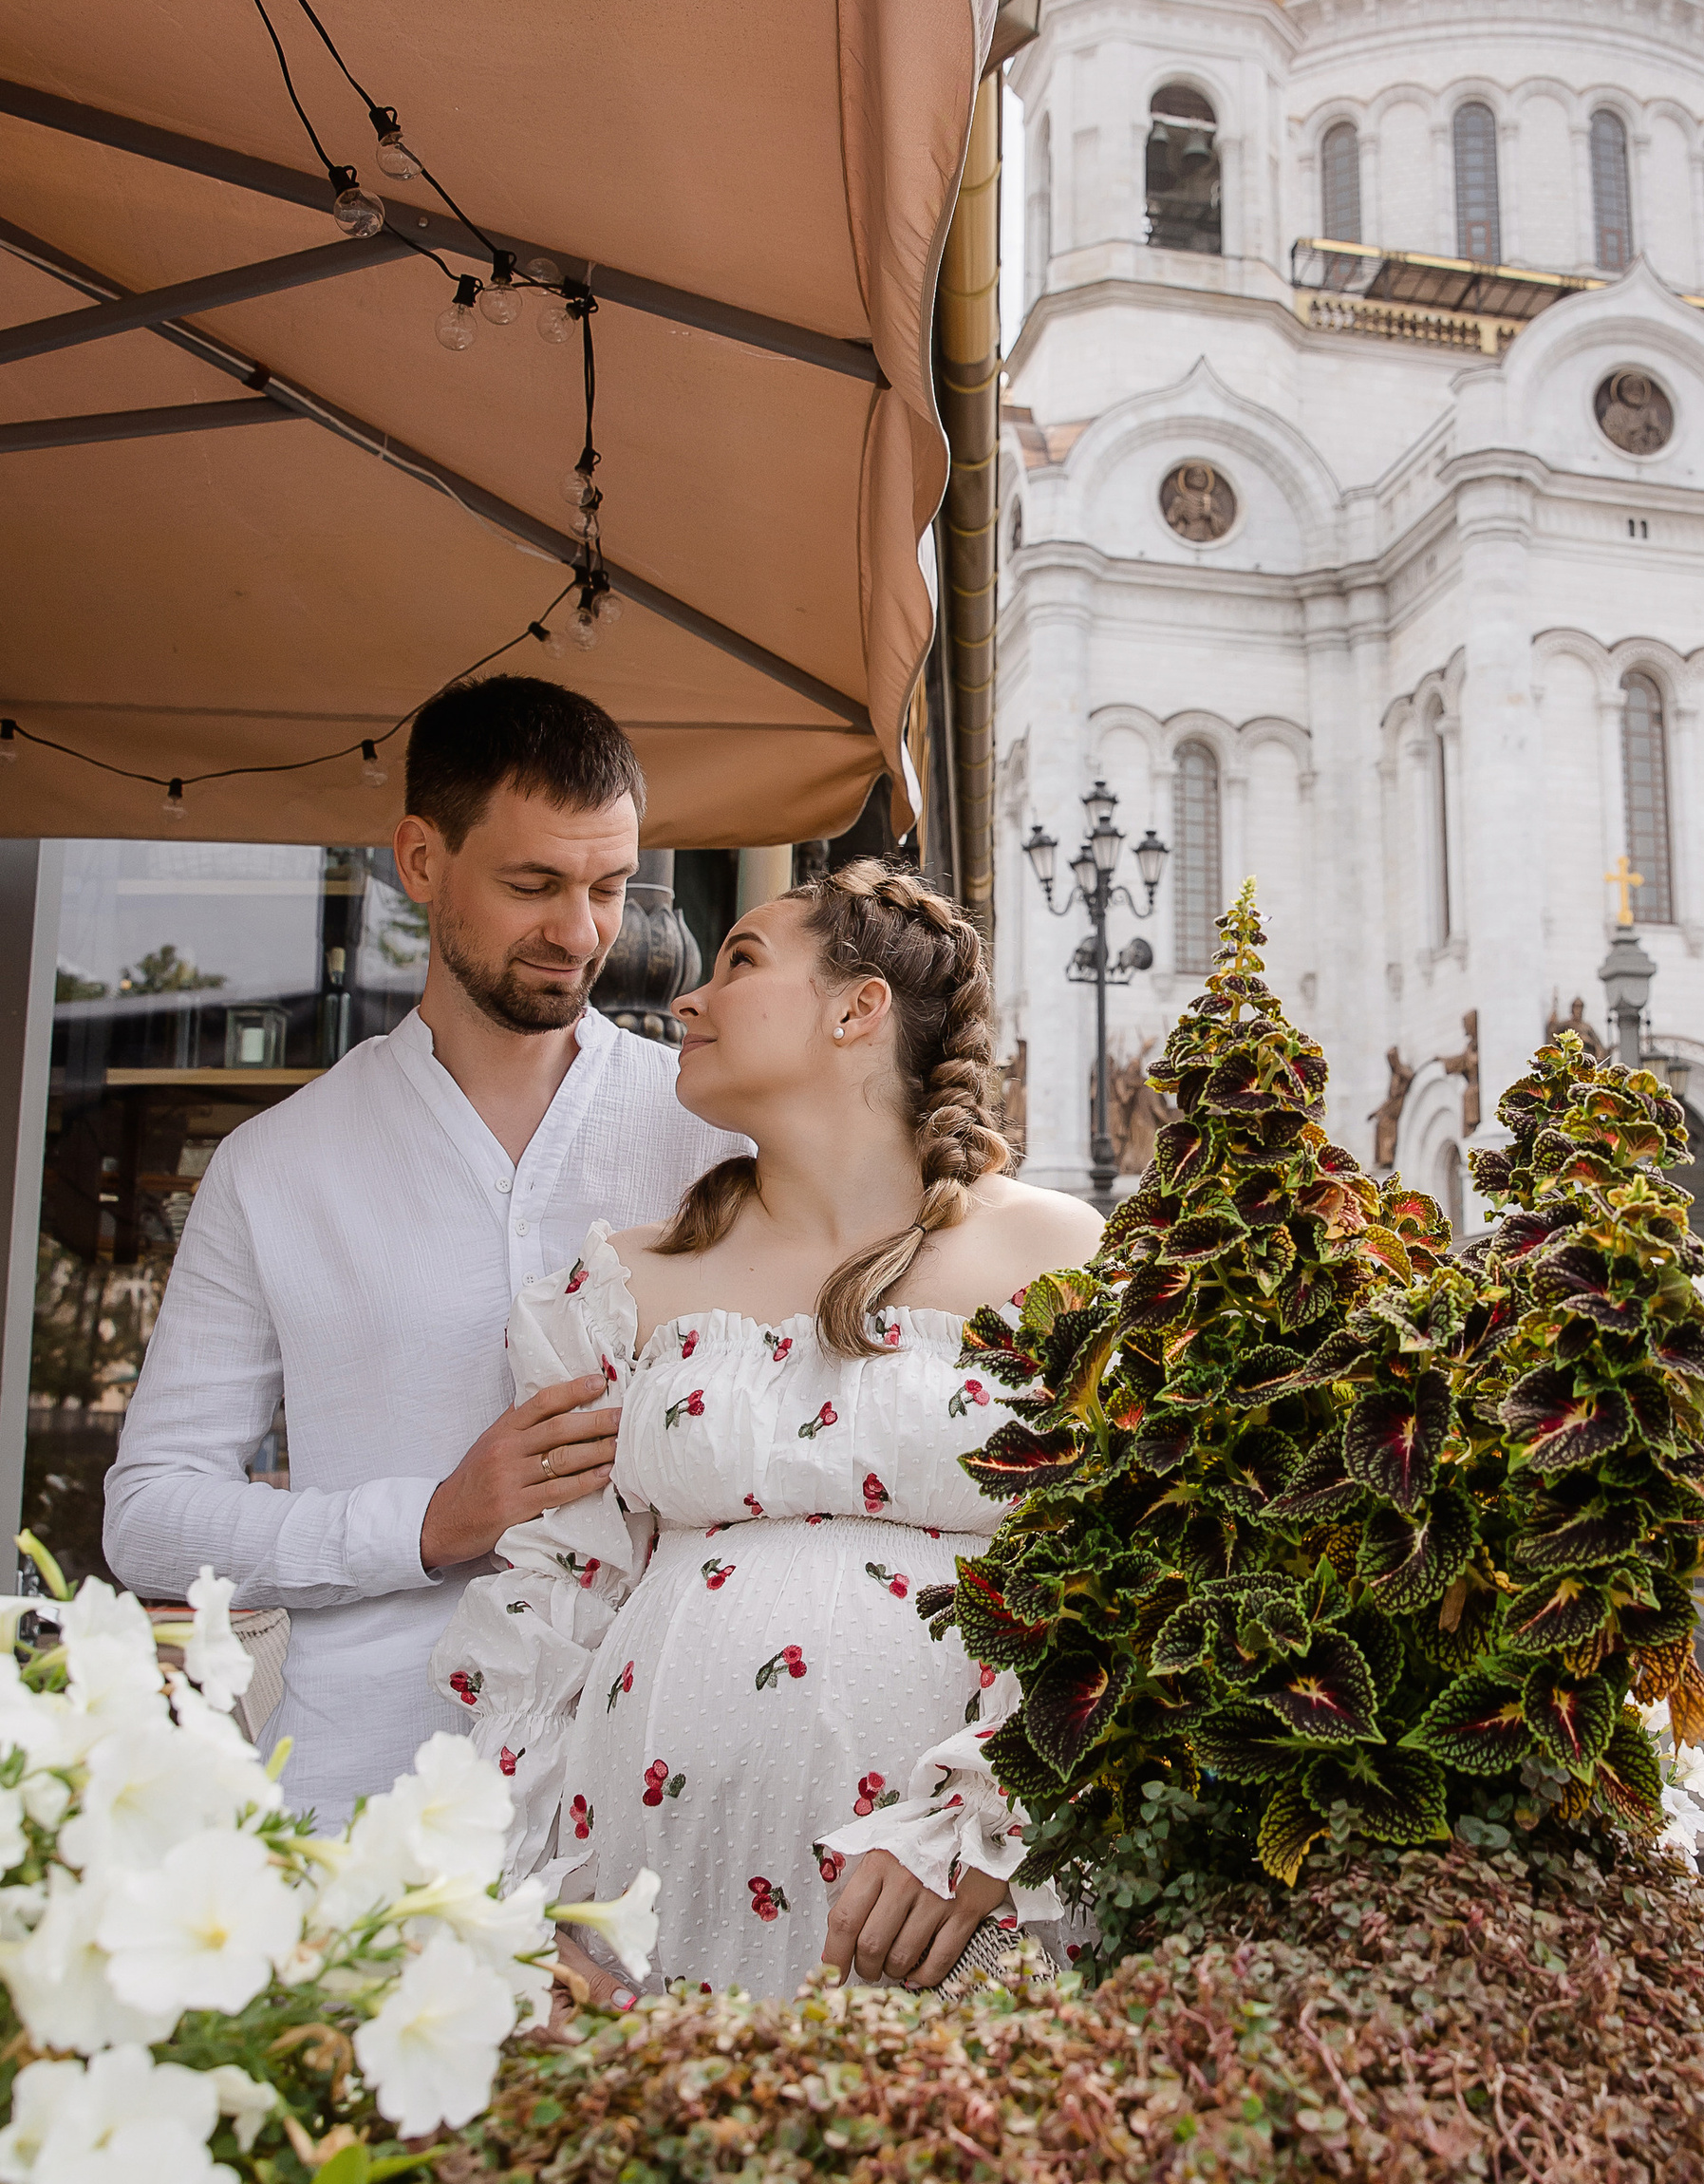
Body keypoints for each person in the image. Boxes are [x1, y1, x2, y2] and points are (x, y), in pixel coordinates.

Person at [433, 863, 1102, 1999]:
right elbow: (554, 1600)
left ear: (857, 1008)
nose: (687, 998)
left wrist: (994, 1822)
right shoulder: (620, 1287)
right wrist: (509, 1908)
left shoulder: (1057, 1257)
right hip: (644, 1902)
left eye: (739, 961)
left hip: (946, 1913)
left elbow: (1123, 1570)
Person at [103, 677, 748, 1826]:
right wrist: (426, 1521)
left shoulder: (717, 1139)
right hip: (367, 1804)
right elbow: (148, 1513)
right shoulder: (273, 1166)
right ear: (420, 860)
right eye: (532, 885)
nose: (580, 933)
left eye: (609, 888)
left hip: (665, 1798)